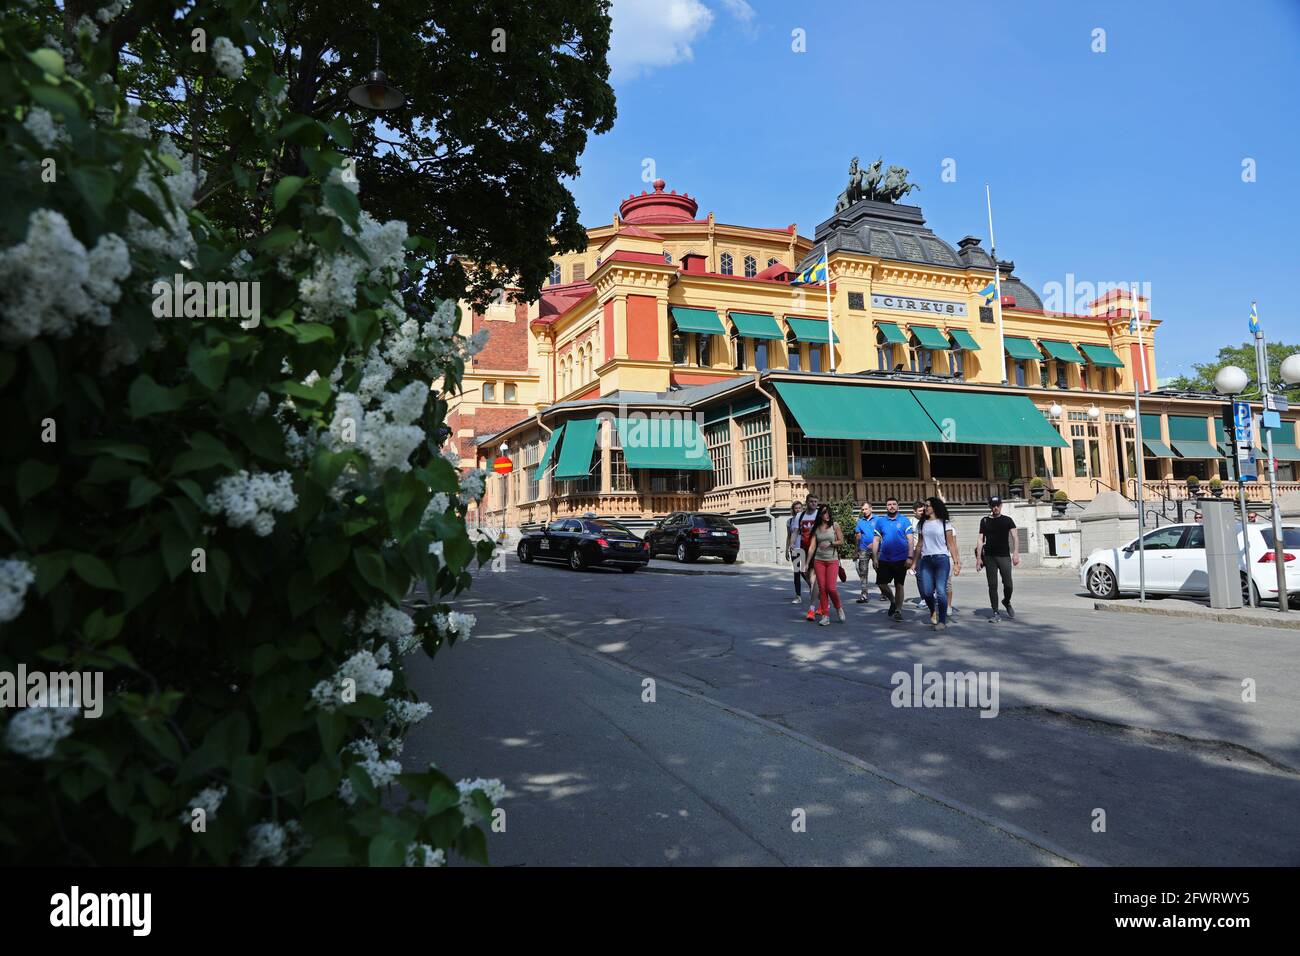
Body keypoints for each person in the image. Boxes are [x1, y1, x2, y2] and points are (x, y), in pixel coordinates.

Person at [912, 496, 960, 630]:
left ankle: (942, 621)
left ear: (935, 507)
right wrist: (914, 562)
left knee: (940, 591)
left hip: (942, 560)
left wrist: (956, 563)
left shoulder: (945, 523)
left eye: (928, 506)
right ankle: (932, 610)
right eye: (925, 506)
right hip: (926, 561)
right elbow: (919, 545)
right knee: (927, 592)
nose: (925, 508)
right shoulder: (922, 524)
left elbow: (951, 544)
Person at [976, 495, 1019, 622]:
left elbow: (1015, 537)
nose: (995, 507)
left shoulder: (1008, 520)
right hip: (989, 557)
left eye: (998, 505)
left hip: (1004, 556)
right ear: (990, 506)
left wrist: (1016, 553)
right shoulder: (984, 521)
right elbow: (980, 539)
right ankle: (995, 612)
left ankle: (1006, 601)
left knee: (1008, 584)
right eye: (993, 505)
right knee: (992, 585)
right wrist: (979, 558)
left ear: (1001, 505)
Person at [871, 496, 915, 622]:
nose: (891, 506)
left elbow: (910, 540)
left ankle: (898, 611)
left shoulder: (905, 521)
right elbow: (876, 540)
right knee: (881, 584)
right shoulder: (880, 521)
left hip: (901, 559)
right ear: (886, 507)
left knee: (899, 585)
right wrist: (874, 557)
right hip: (884, 559)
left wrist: (910, 557)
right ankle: (893, 601)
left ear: (898, 506)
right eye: (889, 504)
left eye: (894, 504)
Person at [811, 504, 845, 626]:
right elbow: (812, 546)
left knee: (831, 588)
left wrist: (830, 543)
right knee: (822, 589)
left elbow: (841, 541)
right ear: (820, 514)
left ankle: (838, 607)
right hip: (818, 560)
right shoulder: (816, 528)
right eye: (824, 512)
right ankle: (825, 616)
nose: (827, 515)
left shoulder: (835, 525)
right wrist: (806, 562)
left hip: (832, 560)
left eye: (828, 512)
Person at [796, 493, 821, 621]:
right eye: (811, 501)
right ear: (806, 502)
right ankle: (822, 599)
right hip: (802, 549)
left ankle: (812, 609)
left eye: (816, 501)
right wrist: (791, 544)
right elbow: (795, 531)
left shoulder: (820, 515)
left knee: (813, 580)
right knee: (802, 573)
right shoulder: (800, 516)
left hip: (817, 550)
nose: (813, 503)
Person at [854, 501, 877, 603]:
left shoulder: (878, 520)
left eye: (866, 509)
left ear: (871, 509)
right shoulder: (860, 521)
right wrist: (856, 550)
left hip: (877, 549)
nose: (864, 511)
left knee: (879, 570)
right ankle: (864, 594)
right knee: (863, 572)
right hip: (863, 549)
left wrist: (876, 544)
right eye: (862, 509)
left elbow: (882, 534)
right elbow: (858, 537)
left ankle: (884, 592)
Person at [908, 501, 929, 608]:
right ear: (914, 511)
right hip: (917, 553)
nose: (922, 512)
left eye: (923, 510)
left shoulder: (928, 520)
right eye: (920, 511)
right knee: (919, 576)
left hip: (929, 552)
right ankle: (924, 598)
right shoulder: (910, 522)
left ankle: (932, 594)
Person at [784, 502, 804, 604]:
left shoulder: (805, 520)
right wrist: (787, 549)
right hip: (795, 549)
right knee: (796, 573)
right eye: (796, 508)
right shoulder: (790, 521)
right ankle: (798, 595)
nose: (798, 510)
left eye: (800, 508)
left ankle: (814, 591)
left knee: (805, 572)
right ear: (793, 509)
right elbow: (789, 536)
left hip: (804, 549)